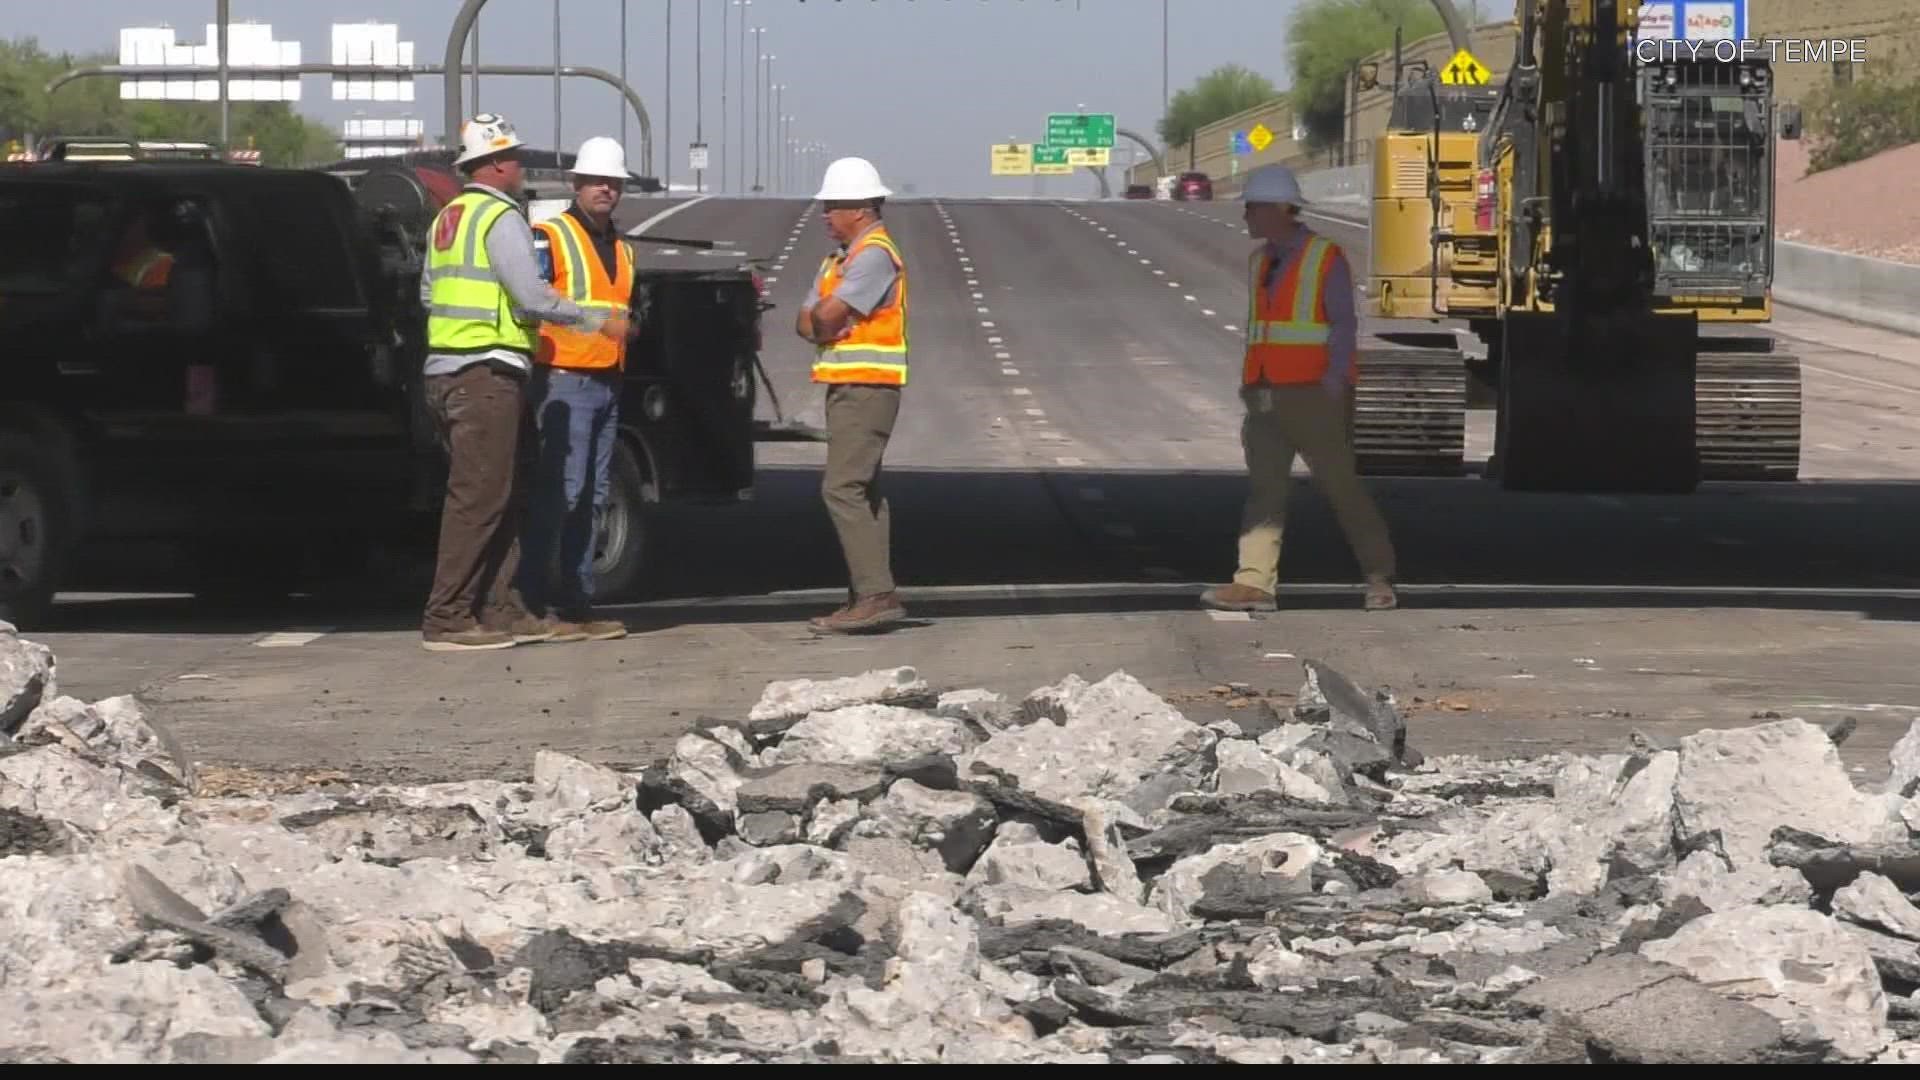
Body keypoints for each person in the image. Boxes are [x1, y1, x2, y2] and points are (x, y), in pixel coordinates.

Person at [417, 113, 630, 652]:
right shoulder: (499, 216)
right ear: (495, 164)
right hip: (484, 369)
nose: (519, 166)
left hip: (449, 367)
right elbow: (532, 295)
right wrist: (591, 320)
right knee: (479, 499)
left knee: (499, 494)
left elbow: (427, 295)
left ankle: (504, 610)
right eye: (512, 157)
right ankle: (447, 617)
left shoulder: (450, 216)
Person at [1200, 163, 1398, 614]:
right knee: (1265, 492)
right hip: (1266, 394)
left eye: (1253, 208)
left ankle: (1378, 577)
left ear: (1280, 210)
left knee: (1340, 487)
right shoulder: (1260, 261)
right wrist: (1252, 385)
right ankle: (1254, 583)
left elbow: (1343, 324)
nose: (1246, 217)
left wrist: (1332, 384)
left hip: (1314, 395)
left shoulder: (1324, 257)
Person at [516, 136, 638, 642]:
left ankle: (576, 602)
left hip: (607, 380)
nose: (605, 189)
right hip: (564, 379)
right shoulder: (550, 234)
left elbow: (624, 307)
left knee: (592, 496)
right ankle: (531, 601)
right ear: (576, 184)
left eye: (613, 182)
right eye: (596, 181)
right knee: (559, 494)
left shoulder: (624, 247)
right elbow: (536, 300)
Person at [795, 156, 909, 634]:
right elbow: (805, 322)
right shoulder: (838, 259)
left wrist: (827, 316)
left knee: (841, 487)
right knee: (863, 490)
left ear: (860, 209)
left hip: (868, 385)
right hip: (849, 384)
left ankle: (874, 594)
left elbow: (823, 317)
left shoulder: (874, 255)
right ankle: (870, 591)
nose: (824, 214)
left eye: (833, 206)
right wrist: (826, 316)